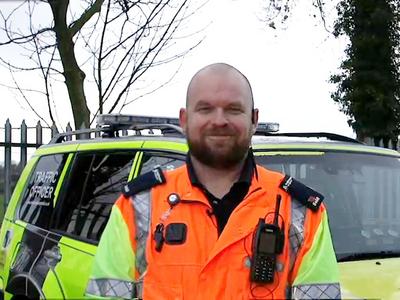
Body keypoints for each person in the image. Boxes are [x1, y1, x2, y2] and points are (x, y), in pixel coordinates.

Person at [86, 63, 341, 299]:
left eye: (233, 109)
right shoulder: (136, 207)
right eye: (205, 108)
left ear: (254, 119)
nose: (219, 120)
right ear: (184, 120)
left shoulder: (302, 213)